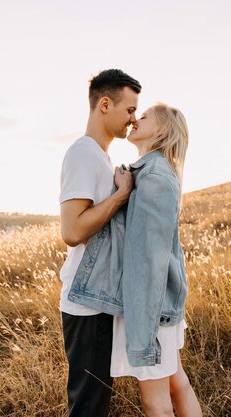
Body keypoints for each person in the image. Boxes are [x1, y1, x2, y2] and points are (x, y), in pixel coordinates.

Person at [68, 103, 202, 417]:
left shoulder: (154, 176)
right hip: (156, 306)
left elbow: (148, 262)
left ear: (163, 130)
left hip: (149, 311)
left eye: (144, 117)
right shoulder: (150, 170)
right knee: (174, 382)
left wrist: (144, 336)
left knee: (155, 402)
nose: (135, 120)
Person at [58, 68, 141, 417]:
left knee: (96, 402)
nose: (134, 120)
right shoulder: (82, 154)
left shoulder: (100, 157)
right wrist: (121, 197)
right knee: (88, 407)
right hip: (86, 305)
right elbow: (73, 231)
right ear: (104, 104)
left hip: (98, 298)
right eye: (130, 109)